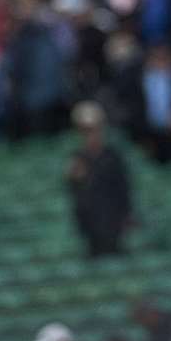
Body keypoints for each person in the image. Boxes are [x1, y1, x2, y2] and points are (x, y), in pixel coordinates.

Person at [64, 103, 133, 256]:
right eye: (85, 130)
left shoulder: (112, 156)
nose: (90, 135)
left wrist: (126, 216)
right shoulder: (77, 159)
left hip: (114, 222)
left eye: (93, 129)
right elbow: (76, 195)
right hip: (90, 224)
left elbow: (123, 188)